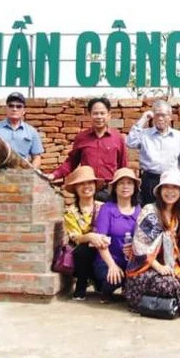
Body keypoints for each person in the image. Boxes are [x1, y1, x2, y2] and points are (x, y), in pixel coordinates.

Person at [125, 170, 180, 317]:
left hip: (169, 266)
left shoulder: (179, 216)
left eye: (175, 188)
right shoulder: (152, 212)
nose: (170, 192)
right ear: (160, 191)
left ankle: (172, 307)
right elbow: (140, 246)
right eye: (166, 187)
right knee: (168, 284)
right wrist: (159, 267)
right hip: (146, 268)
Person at [49, 97, 127, 202]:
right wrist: (54, 175)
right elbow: (71, 162)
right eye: (95, 113)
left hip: (110, 191)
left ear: (109, 115)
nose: (99, 117)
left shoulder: (117, 138)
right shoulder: (81, 138)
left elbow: (123, 167)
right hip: (86, 189)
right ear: (89, 115)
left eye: (102, 113)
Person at [92, 167, 142, 303]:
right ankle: (104, 291)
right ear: (114, 187)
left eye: (129, 183)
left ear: (135, 187)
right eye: (121, 183)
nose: (125, 186)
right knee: (113, 279)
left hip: (131, 260)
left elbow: (143, 240)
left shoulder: (139, 210)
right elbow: (101, 241)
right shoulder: (107, 209)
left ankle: (129, 288)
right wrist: (112, 265)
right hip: (108, 259)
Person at [62, 166, 107, 300]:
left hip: (103, 247)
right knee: (83, 251)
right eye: (81, 184)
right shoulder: (71, 212)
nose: (86, 187)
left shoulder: (104, 207)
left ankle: (99, 282)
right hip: (82, 252)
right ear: (75, 188)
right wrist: (90, 237)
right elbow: (75, 238)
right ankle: (81, 285)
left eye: (89, 183)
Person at [126, 100, 180, 205]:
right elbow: (130, 142)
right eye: (157, 115)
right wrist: (144, 119)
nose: (160, 118)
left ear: (170, 117)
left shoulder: (178, 136)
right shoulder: (144, 134)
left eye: (164, 115)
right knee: (150, 211)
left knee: (170, 211)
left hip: (170, 180)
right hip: (149, 179)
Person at [0, 92, 44, 169]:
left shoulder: (31, 132)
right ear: (6, 109)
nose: (14, 109)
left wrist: (31, 172)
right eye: (11, 106)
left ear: (24, 111)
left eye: (18, 106)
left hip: (21, 174)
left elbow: (37, 157)